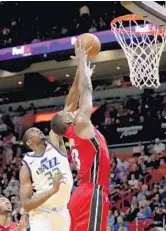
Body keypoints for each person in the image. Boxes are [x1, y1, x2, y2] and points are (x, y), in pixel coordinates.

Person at [51, 41, 110, 231]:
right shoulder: (81, 124)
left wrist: (79, 68)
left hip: (81, 193)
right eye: (70, 112)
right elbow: (86, 93)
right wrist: (83, 64)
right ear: (69, 120)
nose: (72, 109)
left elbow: (71, 97)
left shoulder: (72, 130)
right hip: (92, 192)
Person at [19, 127, 73, 231]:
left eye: (38, 129)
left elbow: (59, 120)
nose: (38, 130)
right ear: (29, 142)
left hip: (62, 210)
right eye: (33, 131)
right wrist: (52, 190)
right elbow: (26, 205)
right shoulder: (26, 167)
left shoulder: (55, 146)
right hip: (41, 214)